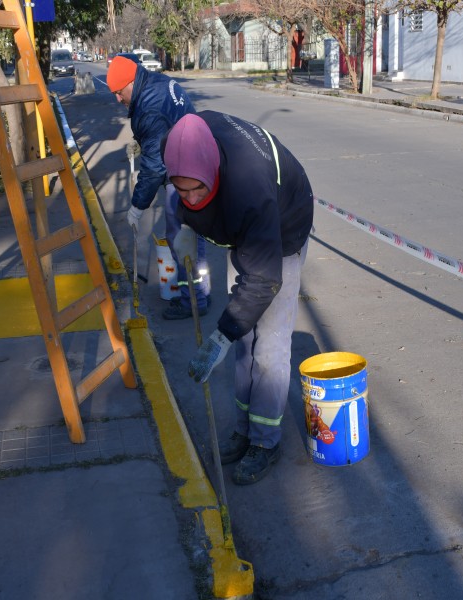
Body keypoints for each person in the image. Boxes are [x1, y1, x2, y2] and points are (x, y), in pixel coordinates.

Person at [163, 112, 314, 485]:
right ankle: (244, 431)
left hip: (282, 226)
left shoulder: (248, 190)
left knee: (268, 349)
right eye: (183, 190)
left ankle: (265, 442)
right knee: (244, 345)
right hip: (243, 233)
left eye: (199, 188)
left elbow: (264, 278)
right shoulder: (186, 151)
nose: (192, 198)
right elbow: (175, 201)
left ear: (212, 170)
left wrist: (220, 335)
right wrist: (180, 230)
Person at [106, 55, 210, 319]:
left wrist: (137, 207)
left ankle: (193, 303)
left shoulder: (149, 107)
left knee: (181, 239)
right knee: (192, 238)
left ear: (130, 83)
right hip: (195, 164)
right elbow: (165, 132)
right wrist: (144, 143)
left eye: (119, 93)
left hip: (185, 174)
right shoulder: (156, 81)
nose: (118, 100)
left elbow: (153, 169)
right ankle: (200, 295)